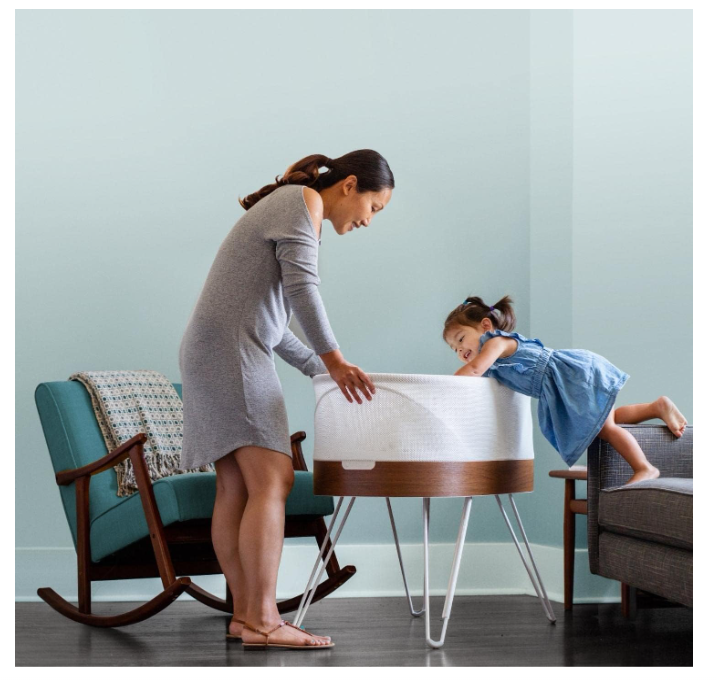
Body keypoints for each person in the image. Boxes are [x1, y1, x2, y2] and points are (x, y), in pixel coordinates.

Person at [179, 150, 394, 650]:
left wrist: (321, 368)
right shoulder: (302, 203)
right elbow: (303, 291)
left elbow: (273, 325)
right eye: (374, 207)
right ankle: (263, 619)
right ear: (350, 185)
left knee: (237, 485)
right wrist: (335, 360)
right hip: (232, 352)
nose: (369, 221)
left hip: (214, 348)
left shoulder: (287, 205)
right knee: (273, 477)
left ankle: (246, 616)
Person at [443, 295, 687, 486]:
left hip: (569, 376)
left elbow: (474, 370)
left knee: (606, 428)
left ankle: (644, 467)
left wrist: (446, 386)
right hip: (561, 385)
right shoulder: (494, 364)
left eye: (461, 339)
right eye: (454, 349)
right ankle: (656, 407)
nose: (460, 351)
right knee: (606, 421)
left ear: (485, 326)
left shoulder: (496, 343)